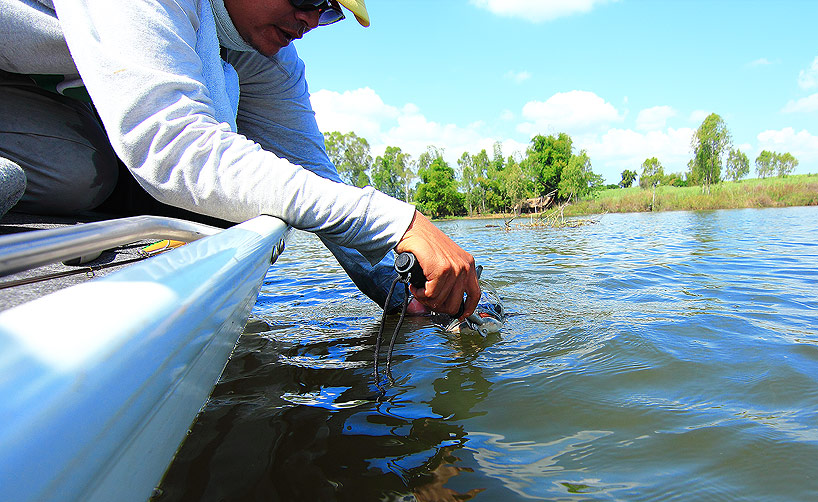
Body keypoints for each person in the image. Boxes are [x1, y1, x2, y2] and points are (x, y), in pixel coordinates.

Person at [0, 0, 480, 318]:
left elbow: (313, 174)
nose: (311, 20)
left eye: (329, 10)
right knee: (81, 170)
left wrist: (405, 293)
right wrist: (398, 222)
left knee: (94, 172)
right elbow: (173, 147)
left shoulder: (267, 53)